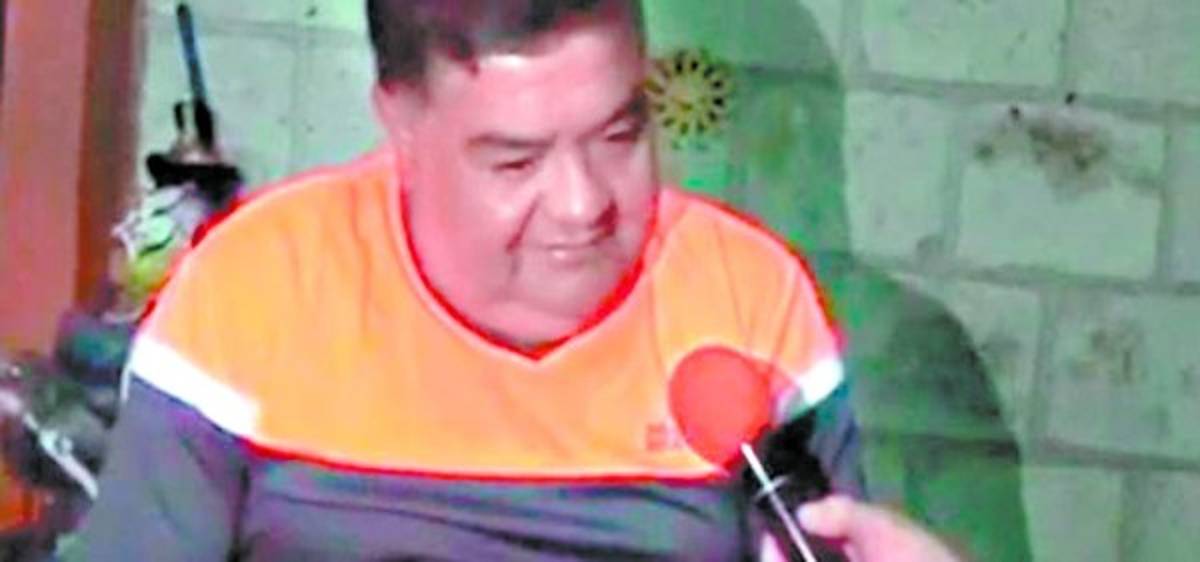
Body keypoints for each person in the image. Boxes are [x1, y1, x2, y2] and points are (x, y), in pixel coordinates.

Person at [64, 1, 965, 560]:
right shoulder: (253, 289)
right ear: (400, 125)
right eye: (516, 161)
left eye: (620, 136)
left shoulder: (749, 298)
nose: (583, 206)